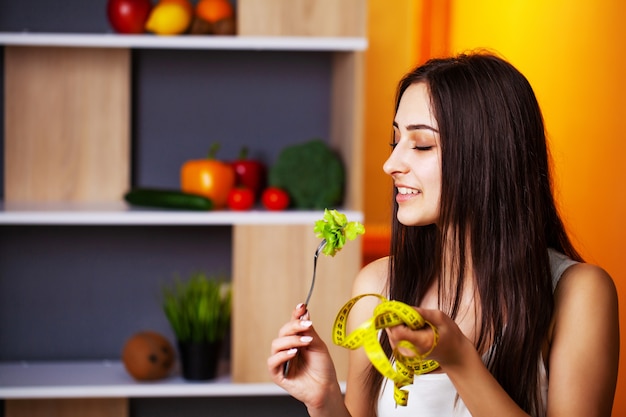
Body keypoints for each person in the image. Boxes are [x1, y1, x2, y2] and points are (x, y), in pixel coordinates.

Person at [267, 51, 620, 417]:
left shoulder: (579, 294)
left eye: (421, 145)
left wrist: (459, 360)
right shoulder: (377, 285)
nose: (390, 165)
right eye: (395, 141)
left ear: (488, 157)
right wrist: (324, 399)